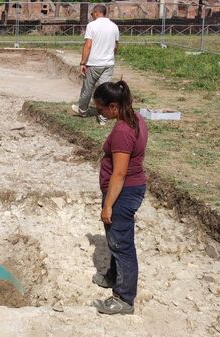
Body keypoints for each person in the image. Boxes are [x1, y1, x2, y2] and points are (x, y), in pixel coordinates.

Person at [91, 80, 148, 315]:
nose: (100, 113)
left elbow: (120, 172)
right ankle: (114, 277)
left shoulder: (123, 131)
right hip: (128, 190)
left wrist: (108, 205)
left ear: (113, 107)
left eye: (101, 109)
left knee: (122, 245)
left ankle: (124, 299)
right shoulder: (136, 119)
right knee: (116, 238)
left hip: (123, 193)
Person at [71, 4, 119, 126]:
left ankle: (82, 110)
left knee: (87, 88)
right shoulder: (114, 26)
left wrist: (83, 62)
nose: (92, 16)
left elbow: (88, 45)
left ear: (96, 13)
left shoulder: (92, 26)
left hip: (93, 63)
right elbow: (115, 47)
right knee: (105, 91)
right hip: (108, 64)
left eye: (92, 14)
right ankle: (104, 117)